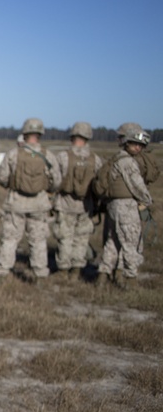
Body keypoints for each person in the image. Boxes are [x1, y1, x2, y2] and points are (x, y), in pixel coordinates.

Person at [0, 118, 62, 281]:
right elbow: (57, 181)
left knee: (10, 240)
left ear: (24, 133)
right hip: (39, 204)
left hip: (16, 203)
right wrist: (46, 191)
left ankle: (3, 273)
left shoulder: (13, 154)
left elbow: (2, 177)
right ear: (40, 134)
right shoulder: (48, 156)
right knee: (38, 241)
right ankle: (40, 275)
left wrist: (12, 185)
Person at [94, 125, 153, 288]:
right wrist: (147, 202)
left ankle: (103, 276)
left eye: (140, 145)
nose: (138, 148)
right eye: (135, 144)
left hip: (113, 207)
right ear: (127, 142)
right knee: (130, 243)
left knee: (112, 242)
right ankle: (131, 281)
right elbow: (137, 186)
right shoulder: (128, 162)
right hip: (126, 208)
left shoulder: (116, 159)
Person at [52, 121, 102, 278]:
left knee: (65, 238)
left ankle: (63, 270)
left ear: (72, 136)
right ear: (88, 137)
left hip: (65, 204)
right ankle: (76, 271)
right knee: (81, 239)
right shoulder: (96, 159)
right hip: (86, 206)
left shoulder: (63, 157)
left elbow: (55, 181)